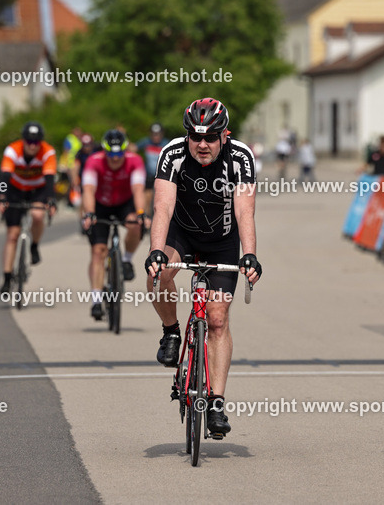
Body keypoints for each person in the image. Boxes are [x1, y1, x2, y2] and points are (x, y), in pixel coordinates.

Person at [144, 98, 261, 440]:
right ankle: (170, 330)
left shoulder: (240, 157)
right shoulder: (172, 154)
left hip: (223, 239)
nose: (202, 144)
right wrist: (155, 251)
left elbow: (244, 212)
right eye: (195, 137)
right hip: (182, 234)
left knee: (217, 318)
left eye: (210, 137)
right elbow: (163, 207)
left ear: (225, 135)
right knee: (159, 273)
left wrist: (250, 255)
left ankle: (216, 403)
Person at [80, 130, 148, 320]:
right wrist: (89, 213)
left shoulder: (134, 161)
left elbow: (138, 189)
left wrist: (141, 212)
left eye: (120, 154)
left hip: (124, 203)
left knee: (135, 224)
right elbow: (88, 189)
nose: (116, 159)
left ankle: (126, 259)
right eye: (112, 154)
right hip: (100, 204)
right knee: (98, 251)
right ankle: (96, 300)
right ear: (105, 151)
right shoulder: (94, 161)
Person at [0, 122, 57, 293]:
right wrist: (2, 198)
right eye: (29, 142)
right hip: (15, 189)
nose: (32, 146)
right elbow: (5, 176)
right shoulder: (12, 150)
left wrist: (50, 200)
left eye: (36, 142)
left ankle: (34, 245)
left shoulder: (48, 152)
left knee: (38, 215)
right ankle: (7, 277)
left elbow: (49, 178)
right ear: (23, 140)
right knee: (12, 235)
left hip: (37, 190)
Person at [135, 123, 169, 213]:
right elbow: (133, 148)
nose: (156, 136)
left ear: (162, 134)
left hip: (162, 175)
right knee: (147, 196)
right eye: (153, 134)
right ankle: (146, 217)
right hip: (149, 174)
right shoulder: (146, 142)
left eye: (158, 134)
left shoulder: (166, 143)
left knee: (162, 196)